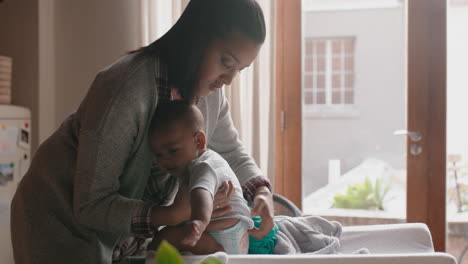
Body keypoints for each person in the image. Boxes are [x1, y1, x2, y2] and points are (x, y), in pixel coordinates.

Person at [10, 0, 274, 263]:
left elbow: (231, 151)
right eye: (226, 62)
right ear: (197, 37)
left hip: (118, 232)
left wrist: (261, 192)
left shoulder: (211, 97)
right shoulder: (124, 89)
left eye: (239, 70)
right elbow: (91, 204)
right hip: (56, 219)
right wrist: (173, 214)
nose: (229, 79)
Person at [147, 100, 254, 254]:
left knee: (163, 238)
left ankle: (214, 252)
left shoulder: (204, 165)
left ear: (199, 141)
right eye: (158, 155)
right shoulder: (201, 164)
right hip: (234, 235)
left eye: (173, 150)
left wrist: (199, 221)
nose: (165, 160)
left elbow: (201, 191)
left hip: (223, 236)